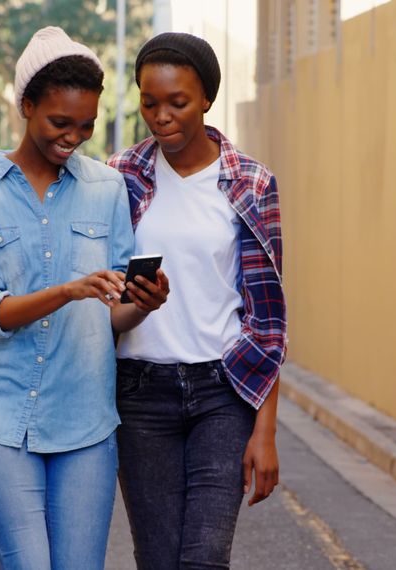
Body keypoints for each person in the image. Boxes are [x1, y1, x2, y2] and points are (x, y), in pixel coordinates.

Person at [0, 26, 169, 570]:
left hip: (87, 424)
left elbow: (115, 309)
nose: (74, 137)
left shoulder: (107, 188)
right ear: (27, 106)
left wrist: (145, 300)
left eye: (87, 125)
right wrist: (66, 290)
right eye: (60, 122)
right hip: (3, 424)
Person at [108, 32, 287, 569]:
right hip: (139, 395)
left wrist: (266, 430)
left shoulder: (251, 183)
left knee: (205, 558)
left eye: (177, 102)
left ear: (206, 98)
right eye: (148, 102)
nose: (161, 116)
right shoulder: (118, 178)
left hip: (222, 392)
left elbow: (268, 318)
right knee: (160, 561)